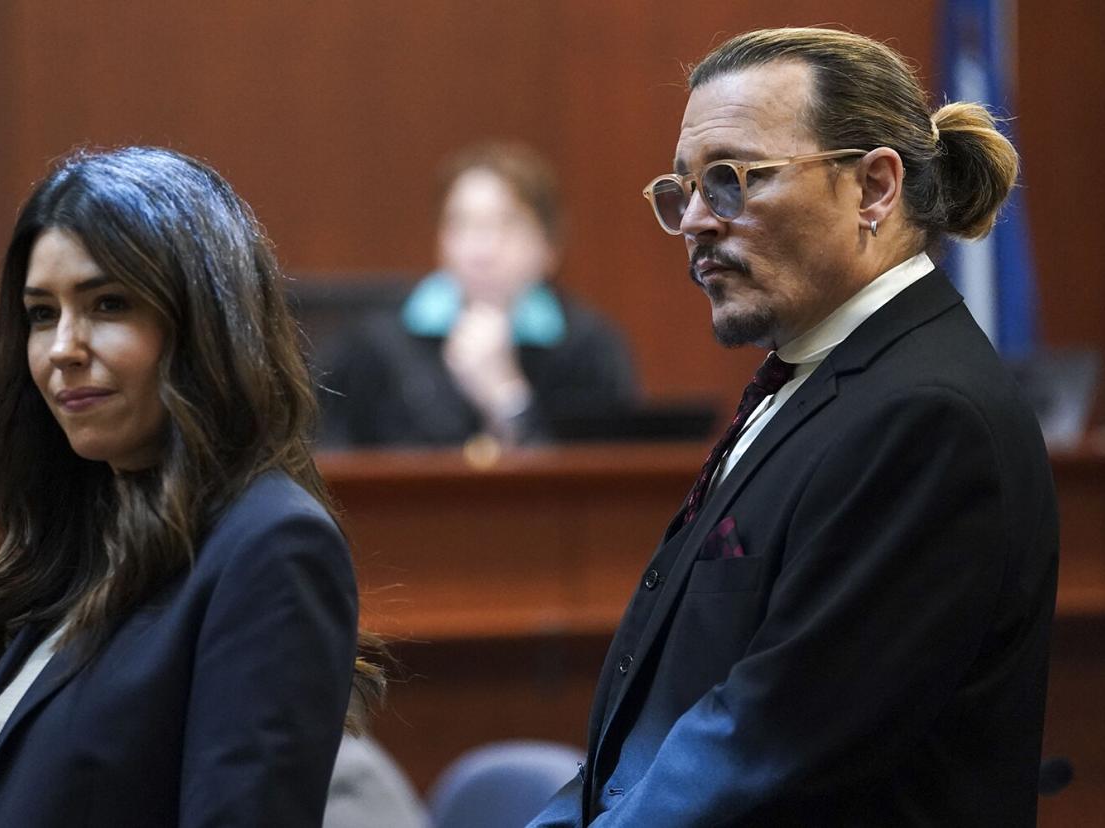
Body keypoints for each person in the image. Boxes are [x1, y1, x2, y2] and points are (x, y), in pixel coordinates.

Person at [530, 27, 1058, 826]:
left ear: (875, 188)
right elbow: (671, 715)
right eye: (684, 192)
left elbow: (767, 745)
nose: (697, 222)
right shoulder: (820, 377)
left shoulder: (926, 414)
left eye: (734, 181)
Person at [0, 146, 378, 827]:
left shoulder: (272, 545)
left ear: (203, 327)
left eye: (108, 304)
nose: (63, 349)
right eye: (42, 314)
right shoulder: (82, 535)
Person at [318, 141, 636, 448]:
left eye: (507, 225)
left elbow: (597, 486)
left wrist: (507, 398)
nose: (481, 250)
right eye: (461, 224)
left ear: (550, 245)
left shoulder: (588, 347)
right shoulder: (373, 343)